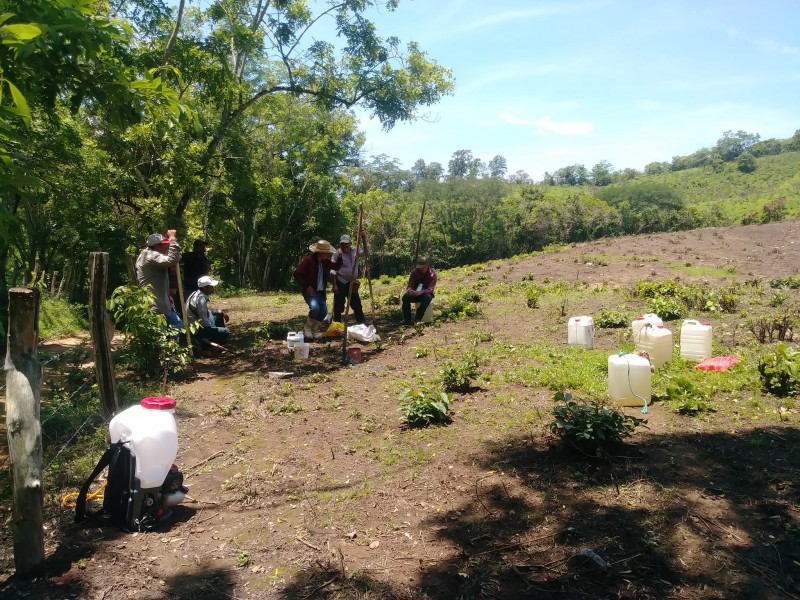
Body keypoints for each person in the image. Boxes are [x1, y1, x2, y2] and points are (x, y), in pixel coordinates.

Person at [135, 231, 183, 328]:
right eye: (165, 245)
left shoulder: (151, 254)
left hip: (162, 303)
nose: (167, 247)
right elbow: (172, 259)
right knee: (161, 335)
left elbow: (176, 257)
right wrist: (173, 239)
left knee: (178, 325)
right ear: (157, 246)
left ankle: (172, 342)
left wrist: (166, 296)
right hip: (154, 305)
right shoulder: (150, 255)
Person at [293, 239, 338, 339]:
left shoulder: (326, 262)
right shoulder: (309, 260)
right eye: (327, 253)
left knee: (323, 312)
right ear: (321, 253)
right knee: (315, 308)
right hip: (310, 291)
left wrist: (340, 256)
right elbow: (297, 274)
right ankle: (307, 328)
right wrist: (307, 285)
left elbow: (336, 266)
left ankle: (314, 331)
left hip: (321, 292)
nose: (328, 255)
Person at [332, 233, 368, 324]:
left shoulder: (355, 251)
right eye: (343, 244)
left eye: (346, 243)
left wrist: (363, 239)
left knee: (356, 302)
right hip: (341, 281)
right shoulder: (337, 254)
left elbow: (366, 253)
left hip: (352, 282)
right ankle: (337, 324)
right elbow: (333, 270)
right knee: (339, 305)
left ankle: (362, 321)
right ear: (340, 244)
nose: (345, 245)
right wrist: (334, 285)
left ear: (350, 243)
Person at [185, 275, 230, 345]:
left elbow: (205, 311)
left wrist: (220, 312)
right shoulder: (200, 300)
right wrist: (215, 329)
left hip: (199, 325)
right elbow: (204, 322)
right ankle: (211, 343)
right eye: (211, 287)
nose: (213, 288)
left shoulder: (197, 294)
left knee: (219, 315)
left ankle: (220, 341)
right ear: (205, 288)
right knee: (226, 331)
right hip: (197, 329)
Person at [402, 257, 436, 326]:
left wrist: (421, 292)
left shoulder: (432, 274)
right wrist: (410, 291)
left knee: (427, 298)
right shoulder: (414, 272)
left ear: (427, 264)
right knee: (405, 297)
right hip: (414, 294)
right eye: (420, 267)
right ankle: (407, 319)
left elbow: (430, 289)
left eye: (423, 267)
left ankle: (418, 318)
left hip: (424, 295)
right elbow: (410, 285)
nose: (421, 269)